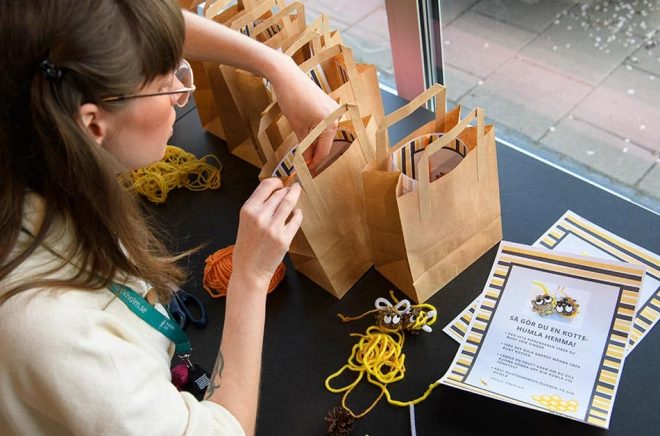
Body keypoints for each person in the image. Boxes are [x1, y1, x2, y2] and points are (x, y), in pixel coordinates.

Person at [0, 1, 337, 434]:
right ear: (92, 124)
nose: (182, 93)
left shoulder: (27, 118)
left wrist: (276, 65)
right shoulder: (66, 338)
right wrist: (250, 278)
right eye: (166, 82)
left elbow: (127, 30)